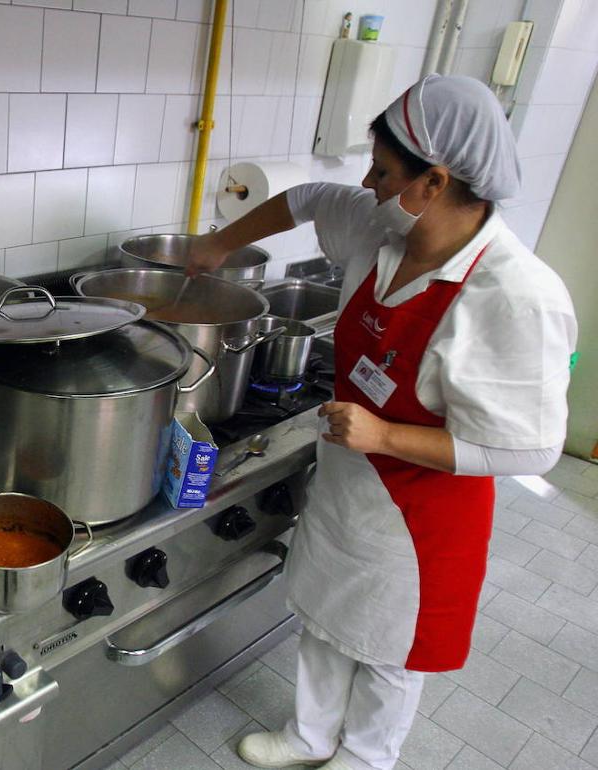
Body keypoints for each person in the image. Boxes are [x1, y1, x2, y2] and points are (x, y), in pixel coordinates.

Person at [180, 74, 577, 770]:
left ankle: (364, 759)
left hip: (420, 517)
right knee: (326, 616)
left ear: (435, 181)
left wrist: (385, 436)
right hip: (348, 483)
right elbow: (305, 199)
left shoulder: (516, 294)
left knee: (390, 649)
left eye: (385, 171)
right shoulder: (383, 226)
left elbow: (533, 446)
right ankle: (309, 736)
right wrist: (218, 245)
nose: (367, 182)